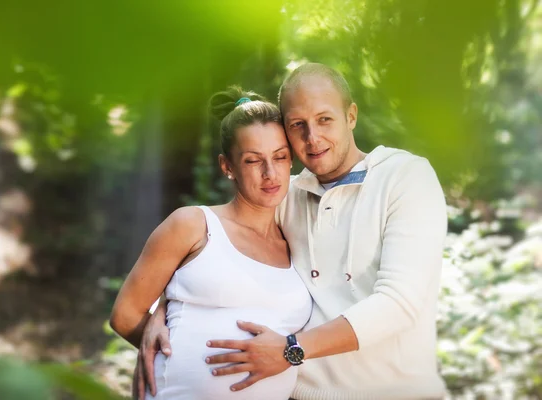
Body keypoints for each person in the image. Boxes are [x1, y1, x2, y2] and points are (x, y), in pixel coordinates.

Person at [138, 62, 449, 399]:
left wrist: (290, 349)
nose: (312, 138)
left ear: (352, 116)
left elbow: (398, 303)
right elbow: (218, 257)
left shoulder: (405, 178)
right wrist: (162, 314)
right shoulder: (286, 195)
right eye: (297, 125)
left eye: (324, 119)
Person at [109, 86, 313, 400]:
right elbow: (125, 315)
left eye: (280, 157)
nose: (270, 173)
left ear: (291, 161)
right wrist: (162, 341)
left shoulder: (299, 238)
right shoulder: (192, 224)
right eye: (252, 160)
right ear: (227, 166)